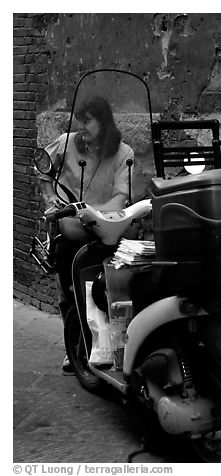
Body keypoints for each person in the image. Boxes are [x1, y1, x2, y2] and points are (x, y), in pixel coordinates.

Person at [36, 96, 134, 372]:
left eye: (87, 121)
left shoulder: (123, 153)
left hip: (105, 229)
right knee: (68, 288)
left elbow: (121, 196)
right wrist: (50, 199)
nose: (82, 127)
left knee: (110, 288)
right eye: (79, 120)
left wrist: (96, 214)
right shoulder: (67, 142)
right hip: (70, 228)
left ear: (104, 122)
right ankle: (74, 348)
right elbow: (43, 168)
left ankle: (113, 345)